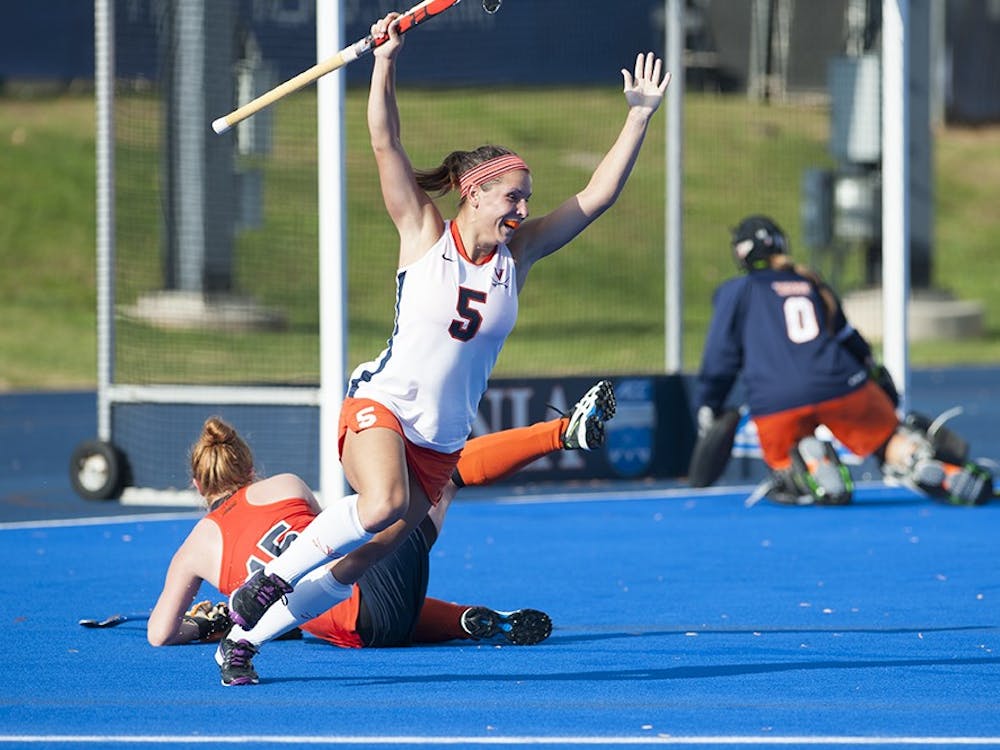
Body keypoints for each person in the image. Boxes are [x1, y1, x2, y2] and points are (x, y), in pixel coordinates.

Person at [216, 10, 669, 685]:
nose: (523, 207)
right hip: (381, 405)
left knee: (366, 559)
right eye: (512, 196)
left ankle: (244, 640)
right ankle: (267, 581)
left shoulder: (521, 255)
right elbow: (384, 141)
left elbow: (597, 197)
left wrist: (637, 116)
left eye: (528, 198)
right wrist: (386, 61)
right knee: (380, 506)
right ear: (474, 193)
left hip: (440, 441)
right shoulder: (425, 233)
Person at [148, 380, 616, 685]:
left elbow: (159, 634)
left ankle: (460, 621)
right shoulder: (283, 485)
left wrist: (205, 624)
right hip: (367, 592)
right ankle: (560, 433)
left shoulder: (192, 550)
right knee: (441, 475)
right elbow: (332, 540)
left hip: (361, 631)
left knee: (357, 576)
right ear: (249, 468)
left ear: (196, 485)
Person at [694, 214, 995, 508]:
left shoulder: (736, 291)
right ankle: (915, 458)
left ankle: (810, 466)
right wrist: (874, 376)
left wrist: (710, 403)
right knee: (888, 440)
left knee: (785, 472)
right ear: (781, 244)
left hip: (774, 399)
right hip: (840, 382)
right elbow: (850, 340)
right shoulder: (811, 283)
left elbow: (720, 357)